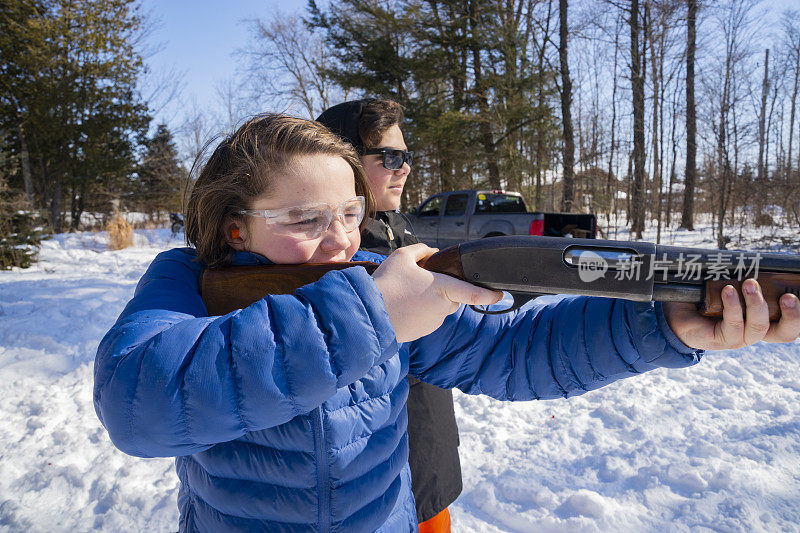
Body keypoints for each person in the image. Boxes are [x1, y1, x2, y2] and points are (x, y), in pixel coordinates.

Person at [93, 113, 800, 533]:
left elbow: (518, 353)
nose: (340, 243)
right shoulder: (187, 282)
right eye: (306, 220)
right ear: (234, 228)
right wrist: (368, 316)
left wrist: (670, 325)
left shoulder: (377, 274)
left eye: (349, 215)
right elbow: (139, 403)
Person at [316, 99, 460, 533]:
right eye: (391, 157)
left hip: (428, 444)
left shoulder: (397, 226)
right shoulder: (328, 248)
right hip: (377, 458)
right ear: (344, 162)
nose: (405, 169)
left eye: (407, 157)